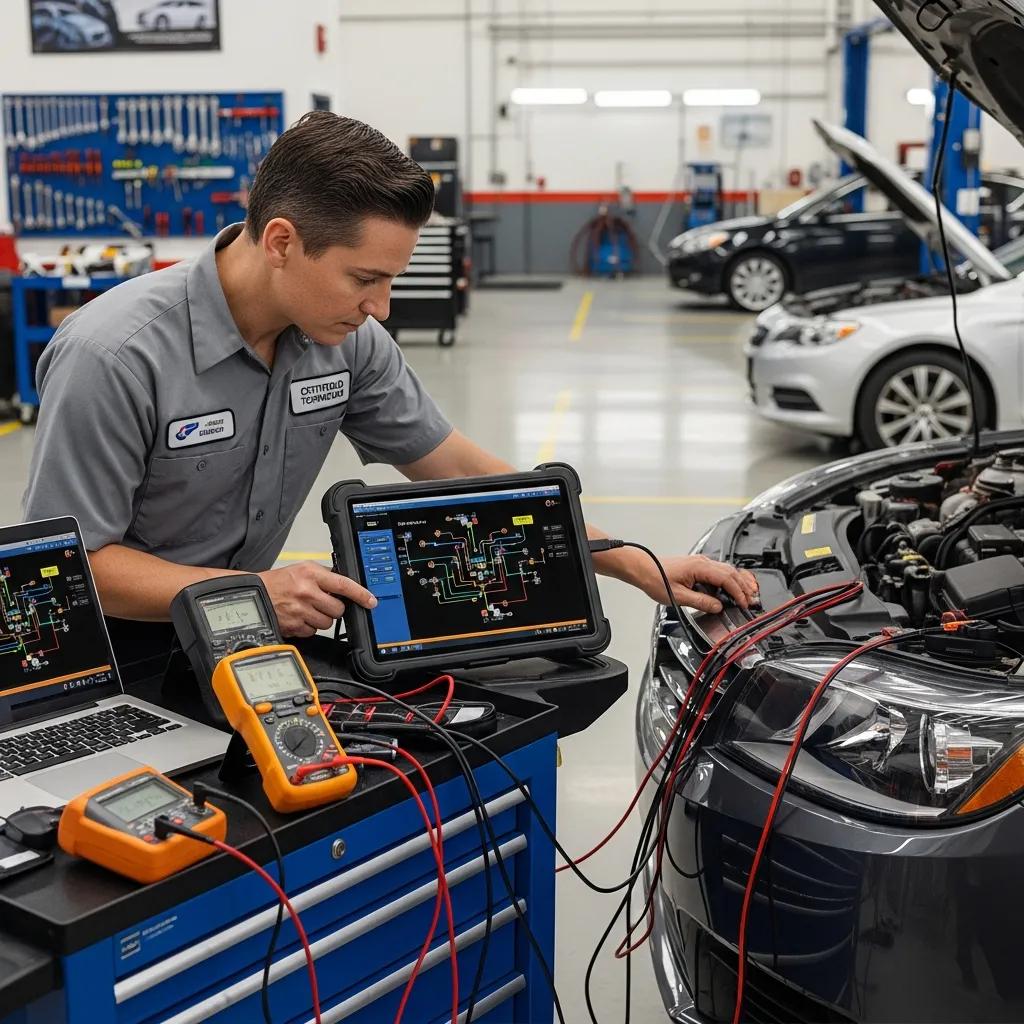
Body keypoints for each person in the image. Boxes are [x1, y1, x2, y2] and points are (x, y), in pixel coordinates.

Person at [23, 111, 757, 681]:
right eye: (364, 278)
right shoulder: (115, 356)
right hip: (114, 662)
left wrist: (635, 563)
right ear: (281, 241)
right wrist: (253, 591)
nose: (383, 307)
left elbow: (459, 470)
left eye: (393, 279)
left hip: (247, 637)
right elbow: (73, 565)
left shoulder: (344, 341)